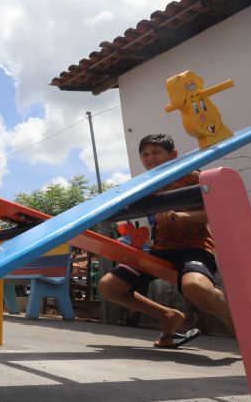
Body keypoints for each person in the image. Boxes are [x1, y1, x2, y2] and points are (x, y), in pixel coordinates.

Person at [98, 134, 235, 348]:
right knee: (109, 286)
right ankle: (169, 317)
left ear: (173, 155)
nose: (150, 158)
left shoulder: (194, 177)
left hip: (194, 247)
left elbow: (212, 213)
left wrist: (183, 216)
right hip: (159, 250)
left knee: (195, 288)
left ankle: (237, 321)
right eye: (144, 154)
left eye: (156, 152)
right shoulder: (148, 185)